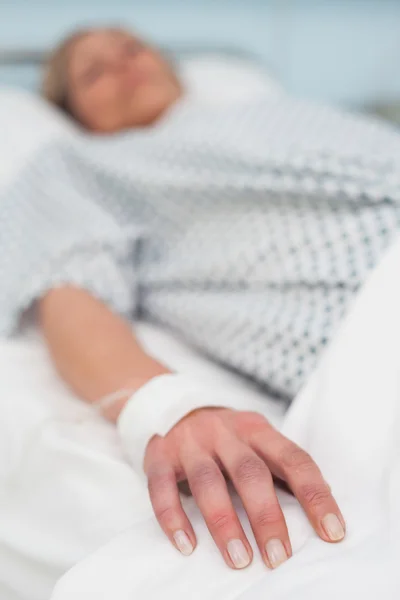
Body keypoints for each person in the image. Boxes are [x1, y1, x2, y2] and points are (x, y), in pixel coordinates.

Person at [8, 25, 400, 574]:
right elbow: (69, 290)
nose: (124, 66)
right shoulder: (80, 167)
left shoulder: (281, 112)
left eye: (133, 49)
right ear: (73, 111)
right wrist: (168, 408)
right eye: (94, 72)